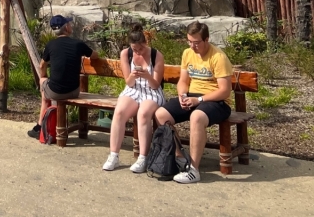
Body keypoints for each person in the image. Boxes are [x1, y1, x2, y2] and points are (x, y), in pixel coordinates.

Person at [154, 21, 233, 183]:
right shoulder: (187, 53)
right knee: (161, 114)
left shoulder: (218, 57)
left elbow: (225, 91)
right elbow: (183, 81)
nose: (192, 46)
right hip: (192, 96)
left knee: (196, 117)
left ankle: (194, 170)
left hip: (216, 101)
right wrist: (182, 95)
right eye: (189, 41)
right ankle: (181, 158)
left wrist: (199, 100)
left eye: (196, 42)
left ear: (206, 39)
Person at [103, 25, 165, 172]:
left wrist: (147, 75)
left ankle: (143, 157)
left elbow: (156, 84)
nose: (138, 52)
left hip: (151, 91)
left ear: (145, 43)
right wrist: (132, 75)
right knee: (119, 112)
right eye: (134, 49)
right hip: (133, 89)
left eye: (140, 49)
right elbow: (129, 83)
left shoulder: (156, 55)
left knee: (143, 114)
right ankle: (113, 155)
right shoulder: (126, 54)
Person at [28, 14, 97, 138]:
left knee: (44, 90)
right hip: (74, 91)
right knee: (48, 88)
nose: (71, 26)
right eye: (69, 24)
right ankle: (49, 123)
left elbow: (42, 65)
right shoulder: (78, 44)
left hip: (55, 92)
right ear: (66, 28)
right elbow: (95, 55)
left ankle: (40, 127)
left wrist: (43, 78)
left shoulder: (50, 45)